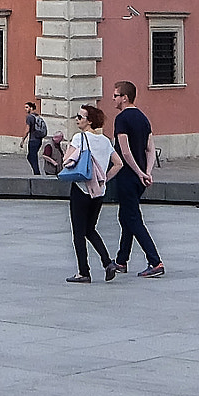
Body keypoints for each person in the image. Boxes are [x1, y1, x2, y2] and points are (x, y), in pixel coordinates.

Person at [108, 81, 164, 278]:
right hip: (139, 178)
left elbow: (124, 151)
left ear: (125, 97)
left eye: (116, 95)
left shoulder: (122, 119)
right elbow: (150, 148)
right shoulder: (143, 118)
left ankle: (155, 261)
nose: (113, 99)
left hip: (127, 176)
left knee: (132, 219)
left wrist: (139, 172)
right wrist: (147, 172)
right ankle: (122, 260)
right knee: (126, 217)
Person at [62, 105, 122, 282]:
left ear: (89, 121)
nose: (77, 119)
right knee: (91, 229)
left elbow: (66, 161)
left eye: (80, 117)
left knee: (79, 233)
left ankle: (83, 272)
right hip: (98, 192)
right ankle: (107, 262)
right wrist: (103, 178)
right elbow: (118, 164)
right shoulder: (105, 141)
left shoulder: (79, 138)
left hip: (81, 188)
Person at [24, 100, 48, 175]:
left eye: (27, 107)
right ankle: (36, 171)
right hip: (39, 139)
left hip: (33, 140)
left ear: (31, 108)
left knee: (32, 156)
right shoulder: (38, 116)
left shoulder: (30, 117)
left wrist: (23, 140)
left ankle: (37, 173)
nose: (25, 109)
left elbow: (27, 129)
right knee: (31, 156)